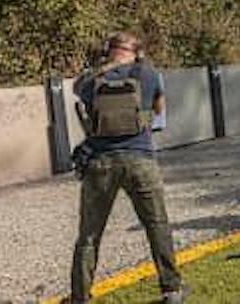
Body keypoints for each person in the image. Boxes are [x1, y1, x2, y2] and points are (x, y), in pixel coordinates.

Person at [70, 32, 187, 304]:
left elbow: (78, 89)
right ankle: (171, 290)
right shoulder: (148, 74)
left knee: (89, 235)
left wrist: (104, 67)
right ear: (137, 52)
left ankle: (80, 297)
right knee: (157, 225)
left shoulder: (92, 79)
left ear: (108, 51)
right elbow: (158, 109)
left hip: (100, 163)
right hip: (141, 160)